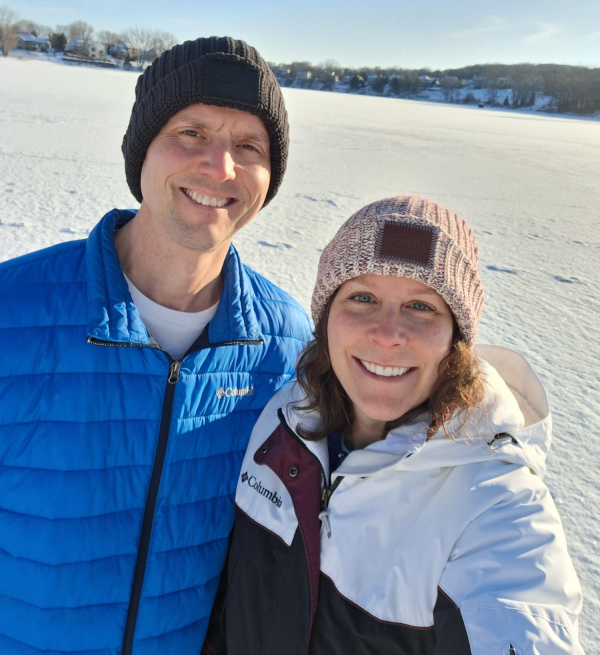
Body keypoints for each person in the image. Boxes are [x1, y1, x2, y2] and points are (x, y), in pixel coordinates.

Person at [0, 37, 311, 655]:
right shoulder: (14, 310)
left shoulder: (285, 346)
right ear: (141, 150)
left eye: (248, 146)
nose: (219, 167)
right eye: (191, 132)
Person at [208, 195, 583, 655]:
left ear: (456, 339)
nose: (388, 333)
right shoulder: (283, 418)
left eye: (422, 307)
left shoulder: (496, 504)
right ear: (327, 318)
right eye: (362, 297)